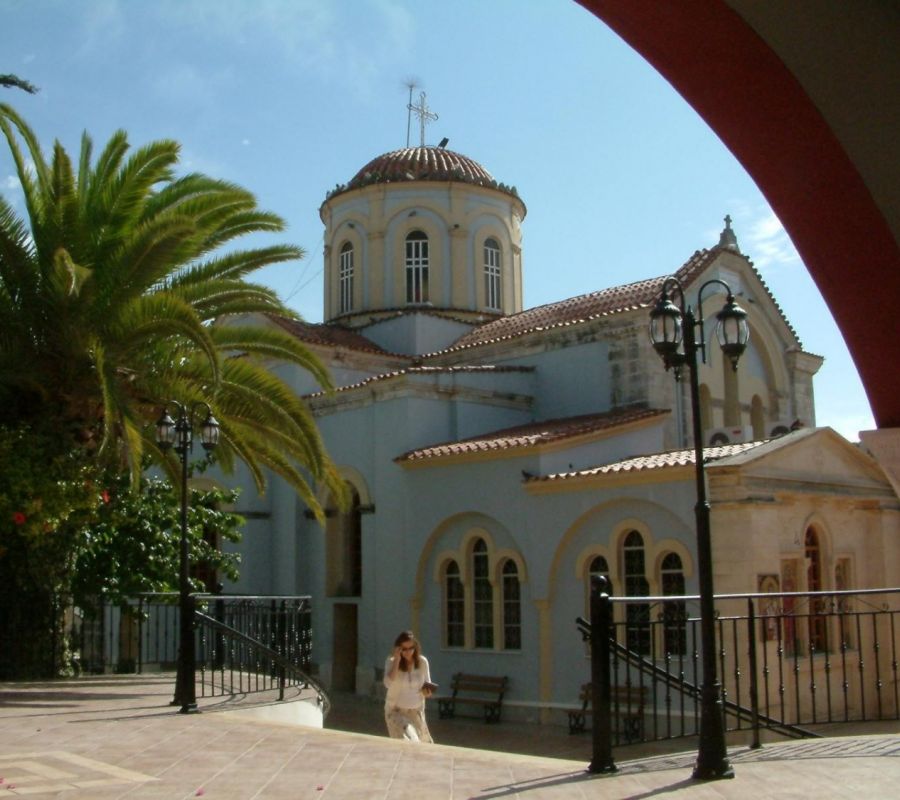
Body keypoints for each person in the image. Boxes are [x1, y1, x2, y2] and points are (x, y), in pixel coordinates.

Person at [383, 630, 435, 743]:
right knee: (410, 741)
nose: (408, 652)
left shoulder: (422, 662)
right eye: (404, 649)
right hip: (397, 712)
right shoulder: (391, 662)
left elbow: (427, 683)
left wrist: (428, 692)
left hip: (416, 712)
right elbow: (387, 683)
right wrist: (397, 660)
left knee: (424, 745)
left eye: (411, 648)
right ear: (398, 649)